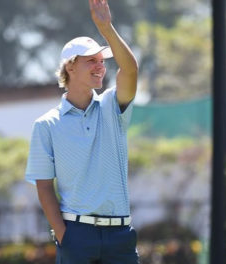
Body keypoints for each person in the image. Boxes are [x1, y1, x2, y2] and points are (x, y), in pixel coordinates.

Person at [25, 0, 139, 263]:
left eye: (102, 61)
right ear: (71, 67)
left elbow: (130, 70)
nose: (100, 66)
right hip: (76, 236)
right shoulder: (46, 125)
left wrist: (107, 28)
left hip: (120, 236)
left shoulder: (113, 106)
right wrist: (64, 235)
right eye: (91, 61)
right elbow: (44, 187)